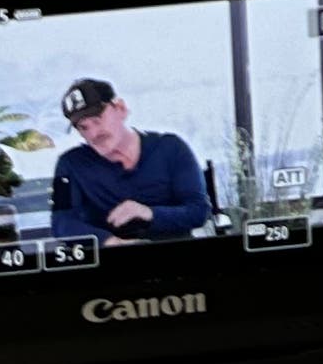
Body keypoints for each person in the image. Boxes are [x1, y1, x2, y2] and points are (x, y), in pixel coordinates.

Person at [47, 75, 215, 242]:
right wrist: (109, 241)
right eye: (83, 127)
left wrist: (148, 213)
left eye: (97, 120)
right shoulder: (70, 165)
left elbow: (199, 211)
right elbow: (61, 223)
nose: (93, 134)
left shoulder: (171, 148)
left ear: (120, 108)